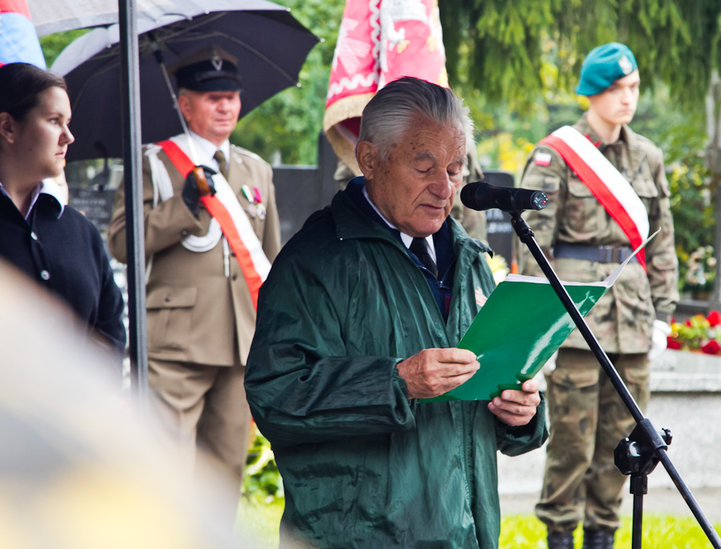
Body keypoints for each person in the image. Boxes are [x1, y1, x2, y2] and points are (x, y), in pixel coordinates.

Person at [245, 76, 547, 548]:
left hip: (467, 531)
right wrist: (397, 382)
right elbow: (275, 396)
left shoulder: (469, 259)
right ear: (369, 159)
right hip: (359, 535)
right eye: (424, 166)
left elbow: (491, 400)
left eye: (455, 168)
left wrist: (521, 412)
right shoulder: (316, 260)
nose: (443, 187)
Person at [518, 43, 678, 549]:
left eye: (632, 87)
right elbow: (532, 241)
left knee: (626, 439)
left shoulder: (648, 155)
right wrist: (538, 327)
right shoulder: (556, 154)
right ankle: (561, 534)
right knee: (571, 441)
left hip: (631, 315)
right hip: (575, 316)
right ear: (592, 92)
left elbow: (662, 240)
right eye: (615, 88)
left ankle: (603, 535)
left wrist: (663, 314)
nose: (626, 98)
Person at [107, 45, 281, 496]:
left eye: (231, 96)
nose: (225, 105)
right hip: (175, 341)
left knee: (222, 475)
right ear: (185, 104)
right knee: (164, 472)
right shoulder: (151, 163)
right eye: (212, 97)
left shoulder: (256, 169)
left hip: (240, 341)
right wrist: (182, 206)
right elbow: (123, 243)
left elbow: (271, 257)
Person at [0, 62, 126, 359]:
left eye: (67, 122)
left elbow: (110, 334)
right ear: (8, 127)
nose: (68, 137)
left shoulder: (81, 232)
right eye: (54, 120)